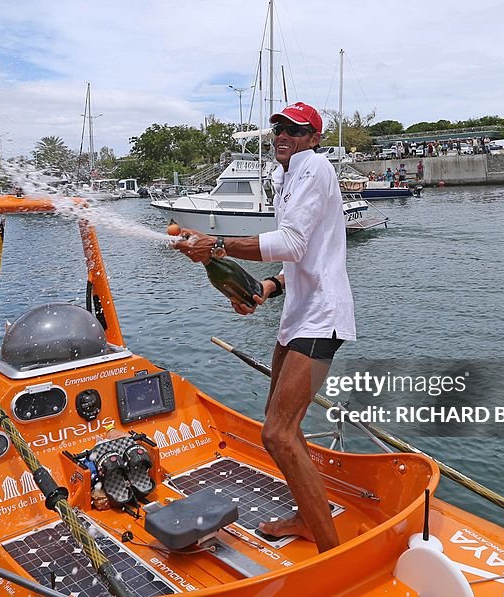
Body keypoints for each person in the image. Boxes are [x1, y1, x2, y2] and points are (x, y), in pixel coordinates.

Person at [172, 101, 354, 553]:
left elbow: (291, 244)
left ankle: (330, 552)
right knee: (278, 433)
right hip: (297, 313)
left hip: (323, 316)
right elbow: (305, 254)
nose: (282, 135)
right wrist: (268, 288)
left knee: (277, 432)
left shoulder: (314, 169)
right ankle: (307, 517)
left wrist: (216, 243)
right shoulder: (284, 176)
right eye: (278, 128)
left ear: (313, 138)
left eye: (294, 129)